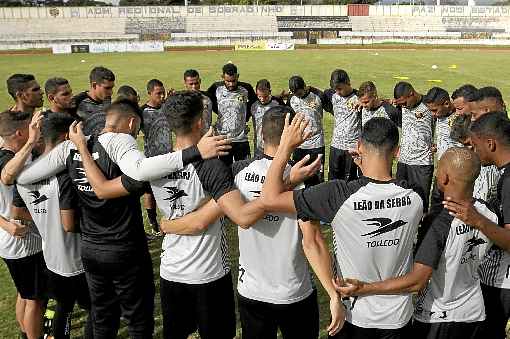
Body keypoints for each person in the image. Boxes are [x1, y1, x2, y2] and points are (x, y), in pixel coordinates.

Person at [15, 99, 232, 338]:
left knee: (102, 316)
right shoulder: (121, 140)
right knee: (137, 319)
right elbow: (137, 171)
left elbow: (24, 177)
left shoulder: (71, 147)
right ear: (131, 122)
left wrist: (28, 152)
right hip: (124, 247)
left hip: (90, 249)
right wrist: (196, 152)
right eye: (137, 129)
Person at [162, 105, 343, 339]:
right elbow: (313, 242)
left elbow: (202, 218)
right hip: (294, 292)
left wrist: (169, 226)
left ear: (260, 133)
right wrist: (333, 295)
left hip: (251, 292)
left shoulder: (237, 172)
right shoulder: (303, 176)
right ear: (295, 134)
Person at [260, 116, 425, 339]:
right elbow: (381, 191)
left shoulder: (337, 195)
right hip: (398, 318)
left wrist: (285, 147)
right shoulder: (416, 196)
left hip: (353, 316)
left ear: (359, 146)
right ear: (397, 152)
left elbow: (269, 199)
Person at [338, 147, 503, 339]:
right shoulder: (487, 212)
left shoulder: (438, 222)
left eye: (439, 168)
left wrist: (365, 288)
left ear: (444, 178)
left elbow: (417, 281)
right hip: (474, 311)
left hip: (437, 317)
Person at [13, 113, 93, 339]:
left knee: (63, 309)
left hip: (52, 259)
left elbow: (16, 211)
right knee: (97, 309)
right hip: (76, 259)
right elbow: (69, 224)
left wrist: (44, 219)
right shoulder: (65, 175)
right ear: (67, 137)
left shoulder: (26, 173)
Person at [444, 112, 510, 339]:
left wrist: (477, 220)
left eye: (474, 145)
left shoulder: (509, 181)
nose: (472, 152)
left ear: (490, 143)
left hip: (502, 282)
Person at [0, 111, 45, 339]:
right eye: (30, 128)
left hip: (11, 241)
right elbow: (7, 177)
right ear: (19, 133)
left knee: (25, 294)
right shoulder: (10, 161)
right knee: (36, 301)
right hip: (23, 242)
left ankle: (25, 332)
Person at [394, 81, 434, 211]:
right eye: (400, 104)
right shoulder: (402, 106)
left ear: (411, 94)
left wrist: (437, 144)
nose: (403, 107)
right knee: (400, 200)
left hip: (422, 163)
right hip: (403, 161)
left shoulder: (429, 105)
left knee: (420, 202)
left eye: (404, 103)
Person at [207, 63, 257, 165]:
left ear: (237, 76)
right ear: (222, 77)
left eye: (233, 80)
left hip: (241, 139)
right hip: (223, 139)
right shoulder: (216, 88)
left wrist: (245, 119)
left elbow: (255, 103)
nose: (231, 84)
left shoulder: (246, 88)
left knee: (244, 170)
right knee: (224, 171)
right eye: (227, 81)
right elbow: (206, 99)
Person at [141, 78, 169, 237]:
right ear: (149, 93)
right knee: (149, 192)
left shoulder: (166, 107)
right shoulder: (142, 111)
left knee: (167, 189)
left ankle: (169, 220)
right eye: (158, 93)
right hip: (151, 159)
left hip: (168, 158)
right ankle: (153, 223)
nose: (162, 96)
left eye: (163, 92)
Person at [288, 75, 325, 187]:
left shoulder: (318, 96)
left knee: (317, 177)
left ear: (304, 87)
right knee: (298, 179)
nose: (298, 96)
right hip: (299, 145)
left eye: (299, 93)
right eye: (295, 94)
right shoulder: (291, 99)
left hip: (316, 144)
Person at [323, 69, 360, 181]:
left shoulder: (359, 97)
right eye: (335, 89)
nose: (337, 92)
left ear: (347, 82)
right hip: (336, 146)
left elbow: (374, 101)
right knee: (333, 181)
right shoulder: (330, 95)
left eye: (340, 88)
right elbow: (324, 100)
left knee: (350, 181)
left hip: (352, 148)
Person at [74, 66, 115, 136]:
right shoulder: (77, 102)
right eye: (107, 88)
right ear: (94, 85)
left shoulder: (107, 100)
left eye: (112, 88)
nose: (111, 92)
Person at [250, 79, 283, 157]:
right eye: (259, 96)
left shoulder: (278, 103)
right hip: (258, 146)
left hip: (275, 146)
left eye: (265, 96)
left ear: (270, 92)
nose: (262, 99)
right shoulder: (252, 104)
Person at [183, 69, 213, 133]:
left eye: (196, 83)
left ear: (200, 81)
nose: (194, 87)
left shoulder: (208, 98)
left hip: (206, 137)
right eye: (191, 84)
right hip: (190, 139)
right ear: (185, 83)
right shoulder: (181, 101)